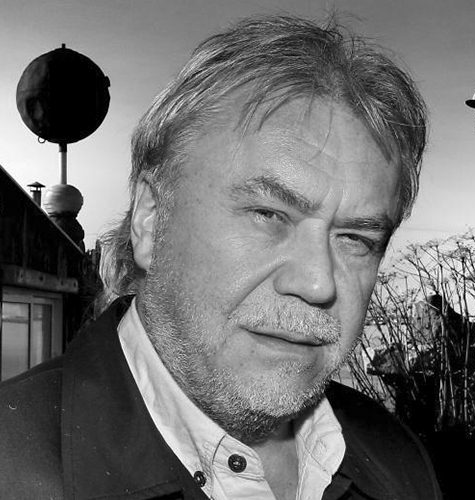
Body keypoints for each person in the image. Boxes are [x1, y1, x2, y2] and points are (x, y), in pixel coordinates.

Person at [0, 14, 442, 500]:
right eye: (268, 214)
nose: (319, 283)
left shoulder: (399, 461)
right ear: (150, 220)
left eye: (355, 239)